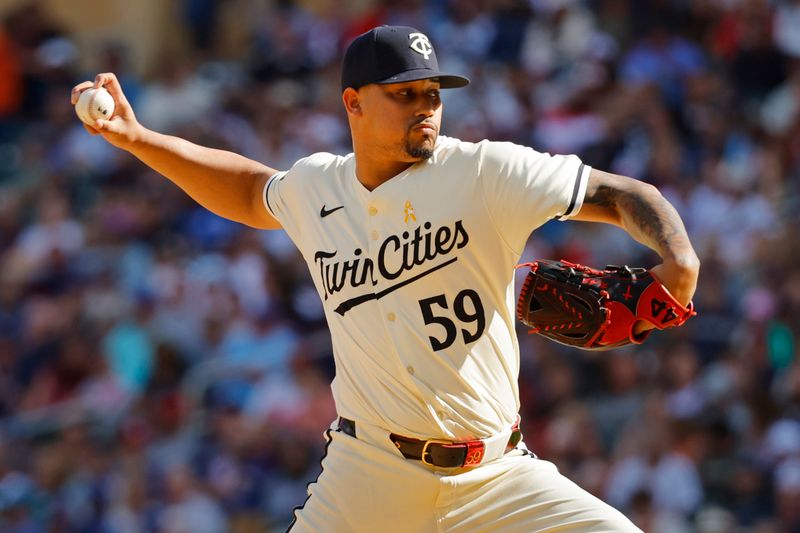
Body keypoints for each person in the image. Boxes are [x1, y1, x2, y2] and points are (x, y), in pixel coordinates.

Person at [72, 25, 699, 533]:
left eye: (432, 93)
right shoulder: (319, 188)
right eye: (404, 94)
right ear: (353, 103)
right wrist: (138, 139)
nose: (425, 108)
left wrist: (680, 260)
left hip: (496, 476)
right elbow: (246, 190)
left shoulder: (483, 173)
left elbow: (621, 194)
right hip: (369, 474)